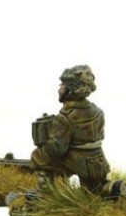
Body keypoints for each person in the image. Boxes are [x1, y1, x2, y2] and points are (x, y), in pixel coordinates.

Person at [31, 65, 110, 193]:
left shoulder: (65, 117)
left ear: (71, 89)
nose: (59, 89)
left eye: (62, 85)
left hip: (78, 162)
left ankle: (45, 191)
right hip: (98, 159)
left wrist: (45, 143)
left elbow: (57, 150)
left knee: (38, 155)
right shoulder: (98, 112)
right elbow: (101, 136)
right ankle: (96, 188)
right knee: (94, 191)